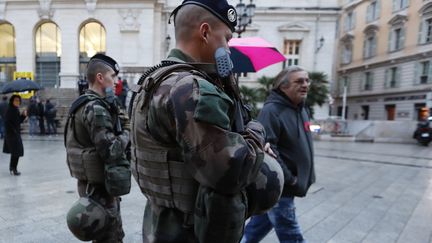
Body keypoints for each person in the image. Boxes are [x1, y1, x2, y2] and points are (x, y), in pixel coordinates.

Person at [129, 1, 284, 243]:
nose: (228, 47)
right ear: (205, 32)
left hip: (160, 223)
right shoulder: (192, 89)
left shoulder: (154, 80)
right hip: (190, 230)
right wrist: (256, 132)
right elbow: (229, 170)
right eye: (227, 38)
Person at [241, 66, 316, 243]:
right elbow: (267, 149)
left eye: (307, 80)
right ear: (283, 87)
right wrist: (290, 179)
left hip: (289, 185)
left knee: (255, 230)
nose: (305, 85)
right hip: (281, 186)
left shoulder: (302, 109)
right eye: (299, 81)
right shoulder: (272, 111)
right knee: (291, 234)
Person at [64, 53, 131, 242]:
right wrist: (127, 131)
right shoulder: (95, 108)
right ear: (100, 78)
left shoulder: (84, 102)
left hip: (92, 186)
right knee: (111, 237)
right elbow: (112, 150)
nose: (116, 82)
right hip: (99, 190)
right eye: (113, 77)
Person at [3, 95, 27, 176]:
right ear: (12, 101)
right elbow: (7, 122)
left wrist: (23, 115)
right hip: (12, 135)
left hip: (15, 134)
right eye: (15, 100)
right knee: (16, 152)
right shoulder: (10, 110)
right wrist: (13, 131)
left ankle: (12, 168)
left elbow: (18, 121)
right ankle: (13, 168)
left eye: (18, 101)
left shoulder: (15, 110)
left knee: (17, 152)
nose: (17, 102)